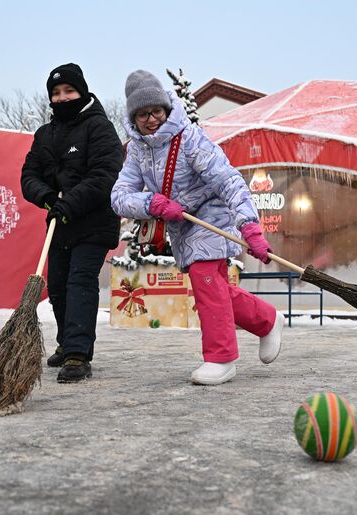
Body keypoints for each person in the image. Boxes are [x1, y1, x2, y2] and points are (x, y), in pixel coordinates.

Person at [111, 70, 285, 386]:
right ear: (133, 118)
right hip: (182, 227)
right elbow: (119, 197)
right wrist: (153, 204)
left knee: (207, 280)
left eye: (156, 111)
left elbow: (229, 181)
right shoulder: (137, 150)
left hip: (211, 217)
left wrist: (250, 228)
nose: (151, 120)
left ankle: (221, 359)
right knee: (216, 289)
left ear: (166, 109)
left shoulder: (190, 138)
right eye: (142, 115)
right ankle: (267, 320)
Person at [21, 63, 123, 383]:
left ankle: (78, 354)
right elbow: (29, 176)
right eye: (56, 93)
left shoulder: (99, 128)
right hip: (60, 222)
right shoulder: (45, 134)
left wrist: (69, 203)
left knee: (80, 281)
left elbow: (105, 175)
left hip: (93, 221)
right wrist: (48, 197)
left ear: (82, 91)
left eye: (69, 91)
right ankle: (66, 343)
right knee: (60, 286)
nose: (62, 97)